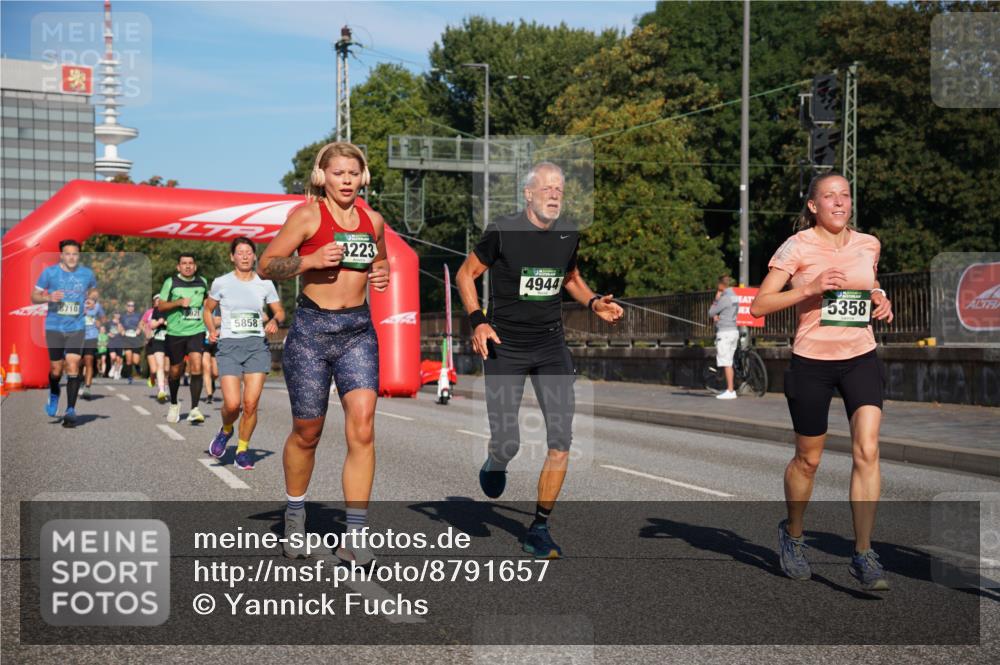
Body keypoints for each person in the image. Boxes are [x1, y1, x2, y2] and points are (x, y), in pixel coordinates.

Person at [455, 162, 624, 559]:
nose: (554, 194)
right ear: (528, 194)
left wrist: (595, 301)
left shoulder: (568, 234)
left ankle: (539, 528)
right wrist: (478, 322)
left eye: (560, 189)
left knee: (561, 442)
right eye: (546, 188)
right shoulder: (501, 231)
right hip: (504, 346)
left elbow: (570, 278)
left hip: (550, 347)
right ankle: (497, 459)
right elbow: (466, 275)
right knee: (509, 441)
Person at [750, 172, 893, 591]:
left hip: (860, 357)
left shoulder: (869, 243)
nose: (838, 202)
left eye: (845, 195)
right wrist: (808, 288)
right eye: (828, 196)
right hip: (812, 361)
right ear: (813, 206)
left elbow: (871, 285)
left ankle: (864, 552)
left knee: (867, 449)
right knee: (808, 460)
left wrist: (881, 299)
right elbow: (760, 304)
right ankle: (793, 534)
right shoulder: (797, 246)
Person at [259, 141, 389, 565]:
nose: (347, 180)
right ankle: (295, 515)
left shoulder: (374, 220)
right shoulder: (308, 216)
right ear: (323, 176)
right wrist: (309, 259)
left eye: (353, 173)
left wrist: (382, 273)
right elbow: (267, 265)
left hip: (358, 331)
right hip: (312, 331)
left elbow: (380, 263)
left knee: (364, 427)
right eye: (338, 173)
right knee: (307, 432)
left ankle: (354, 534)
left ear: (363, 176)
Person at [205, 237, 285, 470]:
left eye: (249, 252)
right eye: (240, 252)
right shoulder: (221, 283)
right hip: (229, 346)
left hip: (256, 346)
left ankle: (242, 448)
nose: (245, 256)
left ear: (254, 256)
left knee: (250, 404)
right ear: (232, 257)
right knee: (232, 404)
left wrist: (273, 321)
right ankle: (226, 430)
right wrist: (211, 329)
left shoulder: (265, 284)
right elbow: (207, 310)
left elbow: (279, 311)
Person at [31, 239, 97, 428]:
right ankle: (54, 392)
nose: (71, 257)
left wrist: (91, 299)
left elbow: (94, 290)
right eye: (67, 253)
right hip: (54, 327)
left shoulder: (86, 273)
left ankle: (70, 409)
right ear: (61, 255)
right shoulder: (49, 273)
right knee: (56, 370)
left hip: (77, 327)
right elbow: (33, 296)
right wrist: (48, 297)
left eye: (75, 254)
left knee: (73, 364)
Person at [157, 254, 210, 424]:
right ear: (178, 267)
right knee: (175, 371)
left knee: (196, 365)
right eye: (184, 263)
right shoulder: (170, 282)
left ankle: (194, 409)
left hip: (196, 330)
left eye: (190, 263)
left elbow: (207, 303)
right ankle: (173, 403)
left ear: (195, 266)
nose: (187, 266)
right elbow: (161, 305)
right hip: (176, 332)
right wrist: (178, 302)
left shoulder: (202, 281)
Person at [708, 275, 740, 400]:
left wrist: (716, 300)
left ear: (722, 285)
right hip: (733, 330)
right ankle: (730, 388)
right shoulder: (734, 296)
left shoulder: (724, 297)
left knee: (726, 362)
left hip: (724, 332)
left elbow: (711, 312)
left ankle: (730, 390)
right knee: (730, 360)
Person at [144, 295, 169, 402]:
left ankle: (164, 384)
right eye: (157, 300)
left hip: (169, 341)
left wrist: (166, 323)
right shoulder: (154, 311)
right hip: (155, 341)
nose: (159, 302)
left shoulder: (171, 311)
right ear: (154, 302)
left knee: (167, 369)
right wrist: (158, 322)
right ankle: (161, 389)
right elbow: (148, 325)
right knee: (158, 367)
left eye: (161, 300)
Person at [81, 288, 105, 399]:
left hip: (91, 336)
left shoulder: (98, 306)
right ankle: (80, 380)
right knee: (78, 363)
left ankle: (87, 387)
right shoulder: (79, 303)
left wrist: (100, 322)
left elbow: (104, 318)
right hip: (78, 336)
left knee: (89, 360)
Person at [119, 299, 144, 384]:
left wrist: (139, 329)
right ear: (126, 307)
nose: (130, 307)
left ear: (134, 307)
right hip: (127, 339)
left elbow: (141, 323)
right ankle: (130, 377)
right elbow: (120, 325)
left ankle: (137, 367)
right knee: (129, 360)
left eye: (132, 305)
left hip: (136, 339)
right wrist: (122, 331)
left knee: (136, 361)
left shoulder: (138, 315)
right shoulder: (123, 317)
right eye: (129, 305)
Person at [201, 308, 221, 404]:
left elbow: (222, 321)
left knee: (216, 373)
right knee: (206, 368)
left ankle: (212, 381)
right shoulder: (200, 309)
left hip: (216, 342)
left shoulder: (219, 309)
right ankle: (209, 395)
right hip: (203, 342)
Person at [107, 311, 123, 379]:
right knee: (113, 357)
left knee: (118, 359)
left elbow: (122, 333)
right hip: (111, 342)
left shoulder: (121, 323)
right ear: (114, 314)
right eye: (116, 313)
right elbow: (105, 330)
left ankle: (116, 372)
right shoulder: (109, 323)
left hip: (119, 342)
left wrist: (119, 324)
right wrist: (108, 334)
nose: (117, 315)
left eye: (119, 314)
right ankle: (113, 367)